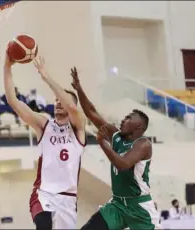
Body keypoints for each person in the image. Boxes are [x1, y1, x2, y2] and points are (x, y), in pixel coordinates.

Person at [70, 67, 160, 230]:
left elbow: (123, 164)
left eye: (128, 118)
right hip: (117, 205)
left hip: (139, 207)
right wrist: (79, 89)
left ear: (138, 126)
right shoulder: (116, 135)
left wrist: (103, 144)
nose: (123, 120)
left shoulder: (143, 144)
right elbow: (91, 112)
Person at [3, 54, 86, 230]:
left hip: (68, 199)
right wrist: (7, 66)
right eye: (56, 100)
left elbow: (72, 107)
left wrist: (46, 77)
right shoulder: (44, 125)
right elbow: (13, 101)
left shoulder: (78, 128)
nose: (58, 102)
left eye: (62, 100)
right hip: (43, 194)